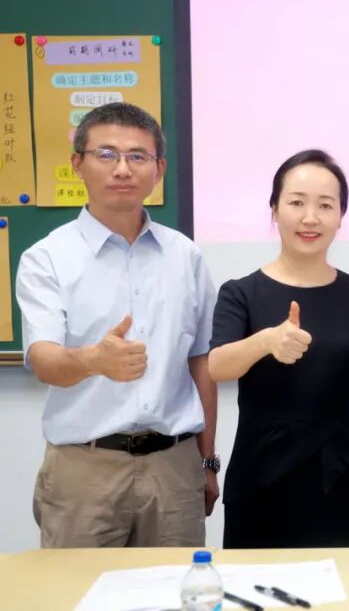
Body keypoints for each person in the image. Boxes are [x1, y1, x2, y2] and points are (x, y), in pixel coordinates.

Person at [16, 101, 219, 548]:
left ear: (159, 169)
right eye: (106, 154)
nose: (122, 169)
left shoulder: (185, 256)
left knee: (176, 584)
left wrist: (208, 461)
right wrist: (94, 359)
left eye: (137, 156)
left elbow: (201, 362)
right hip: (84, 469)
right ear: (78, 164)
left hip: (174, 466)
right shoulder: (47, 258)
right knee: (78, 587)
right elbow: (44, 360)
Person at [208, 149, 349, 548]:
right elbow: (217, 366)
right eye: (296, 203)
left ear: (340, 217)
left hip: (341, 477)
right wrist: (266, 341)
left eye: (325, 205)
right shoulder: (241, 293)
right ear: (274, 210)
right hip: (260, 478)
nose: (310, 218)